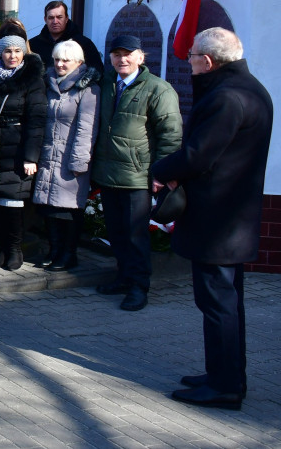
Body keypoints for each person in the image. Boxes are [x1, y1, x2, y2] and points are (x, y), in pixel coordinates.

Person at [151, 28, 272, 411]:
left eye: (191, 58)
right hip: (230, 216)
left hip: (218, 220)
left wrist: (162, 168)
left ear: (208, 61)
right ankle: (228, 376)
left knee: (218, 303)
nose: (189, 64)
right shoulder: (251, 89)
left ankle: (224, 386)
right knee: (227, 303)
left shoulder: (227, 97)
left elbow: (198, 155)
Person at [92, 35, 182, 311]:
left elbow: (170, 135)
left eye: (128, 54)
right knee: (117, 233)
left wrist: (161, 173)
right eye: (117, 54)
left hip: (137, 177)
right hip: (108, 174)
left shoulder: (158, 90)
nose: (122, 59)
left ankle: (139, 287)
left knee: (135, 235)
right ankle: (123, 277)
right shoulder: (107, 83)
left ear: (141, 57)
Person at [32, 40, 100, 272]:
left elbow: (86, 128)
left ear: (79, 63)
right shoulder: (48, 83)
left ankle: (68, 254)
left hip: (71, 157)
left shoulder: (88, 89)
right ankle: (54, 250)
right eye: (57, 59)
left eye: (66, 60)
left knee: (69, 209)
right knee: (49, 206)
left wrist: (79, 160)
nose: (60, 64)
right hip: (48, 154)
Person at [0, 35, 46, 271]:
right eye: (7, 51)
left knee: (13, 202)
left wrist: (31, 157)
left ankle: (15, 250)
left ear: (23, 53)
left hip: (17, 147)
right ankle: (2, 248)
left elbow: (37, 121)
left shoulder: (33, 80)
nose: (12, 56)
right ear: (0, 53)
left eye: (17, 51)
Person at [28, 0, 102, 71]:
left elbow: (97, 71)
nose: (55, 21)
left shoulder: (84, 44)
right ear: (45, 19)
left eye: (59, 17)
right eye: (51, 18)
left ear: (66, 18)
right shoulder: (32, 45)